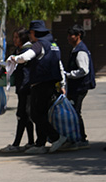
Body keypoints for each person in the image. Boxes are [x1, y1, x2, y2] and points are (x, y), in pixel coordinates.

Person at [8, 20, 65, 154]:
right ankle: (40, 143)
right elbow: (60, 65)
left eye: (31, 33)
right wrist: (63, 84)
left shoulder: (39, 45)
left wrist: (15, 59)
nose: (30, 36)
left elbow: (26, 57)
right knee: (43, 113)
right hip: (51, 83)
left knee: (36, 114)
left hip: (41, 84)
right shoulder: (54, 45)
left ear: (34, 33)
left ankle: (55, 137)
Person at [0, 28, 35, 152]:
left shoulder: (28, 51)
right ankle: (31, 142)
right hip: (22, 87)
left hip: (26, 87)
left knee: (22, 115)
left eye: (16, 37)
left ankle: (16, 144)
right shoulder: (19, 50)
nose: (14, 40)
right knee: (25, 116)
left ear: (23, 38)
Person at [64, 23, 95, 149]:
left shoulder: (80, 51)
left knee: (75, 112)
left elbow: (84, 70)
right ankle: (77, 137)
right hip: (76, 86)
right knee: (74, 111)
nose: (68, 37)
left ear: (78, 36)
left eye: (71, 35)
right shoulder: (76, 49)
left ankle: (81, 138)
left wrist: (69, 75)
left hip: (80, 87)